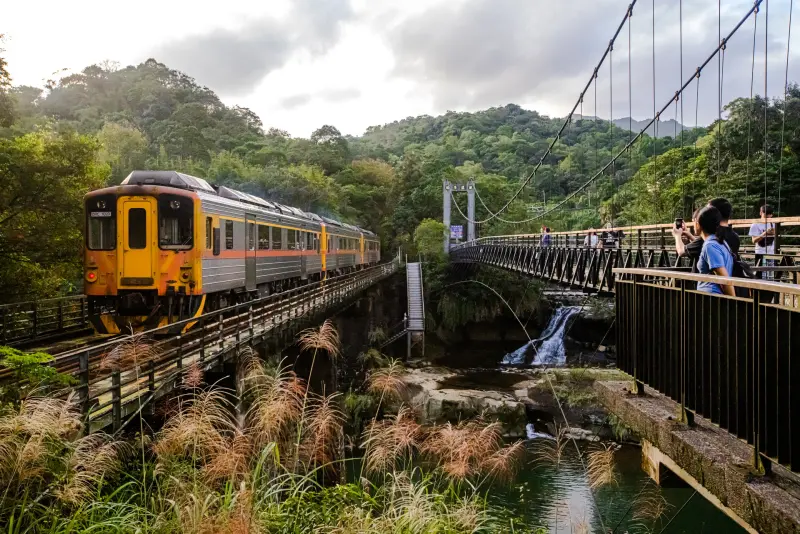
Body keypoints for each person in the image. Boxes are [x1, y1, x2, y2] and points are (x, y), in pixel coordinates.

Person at [695, 206, 735, 296]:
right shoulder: (720, 242)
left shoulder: (710, 246)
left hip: (711, 299)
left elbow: (725, 280)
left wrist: (735, 303)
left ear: (698, 224)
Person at [749, 204, 776, 280]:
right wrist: (765, 233)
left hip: (772, 254)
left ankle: (772, 291)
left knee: (771, 276)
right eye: (766, 214)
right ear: (761, 213)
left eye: (769, 215)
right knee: (761, 277)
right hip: (760, 253)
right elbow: (754, 240)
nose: (768, 217)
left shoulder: (774, 224)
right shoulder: (755, 224)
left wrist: (775, 233)